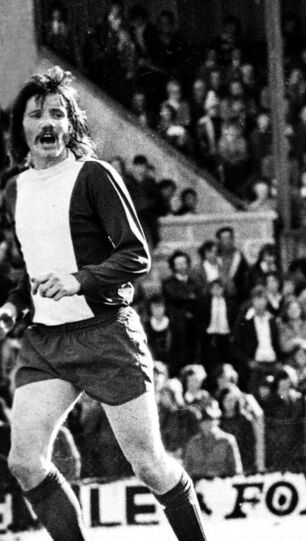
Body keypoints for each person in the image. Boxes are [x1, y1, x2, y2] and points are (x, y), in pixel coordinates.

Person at [0, 67, 208, 540]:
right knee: (25, 461)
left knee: (150, 465)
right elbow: (30, 272)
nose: (48, 122)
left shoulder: (93, 175)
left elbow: (137, 255)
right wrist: (13, 307)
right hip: (47, 342)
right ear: (22, 128)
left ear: (71, 125)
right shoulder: (15, 189)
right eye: (37, 114)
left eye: (58, 113)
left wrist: (79, 281)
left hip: (106, 333)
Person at [181, 400, 242, 478]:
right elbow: (186, 470)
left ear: (217, 421)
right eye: (203, 421)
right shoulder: (193, 442)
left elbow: (236, 470)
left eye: (210, 420)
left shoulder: (227, 441)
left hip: (220, 484)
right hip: (198, 485)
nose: (207, 424)